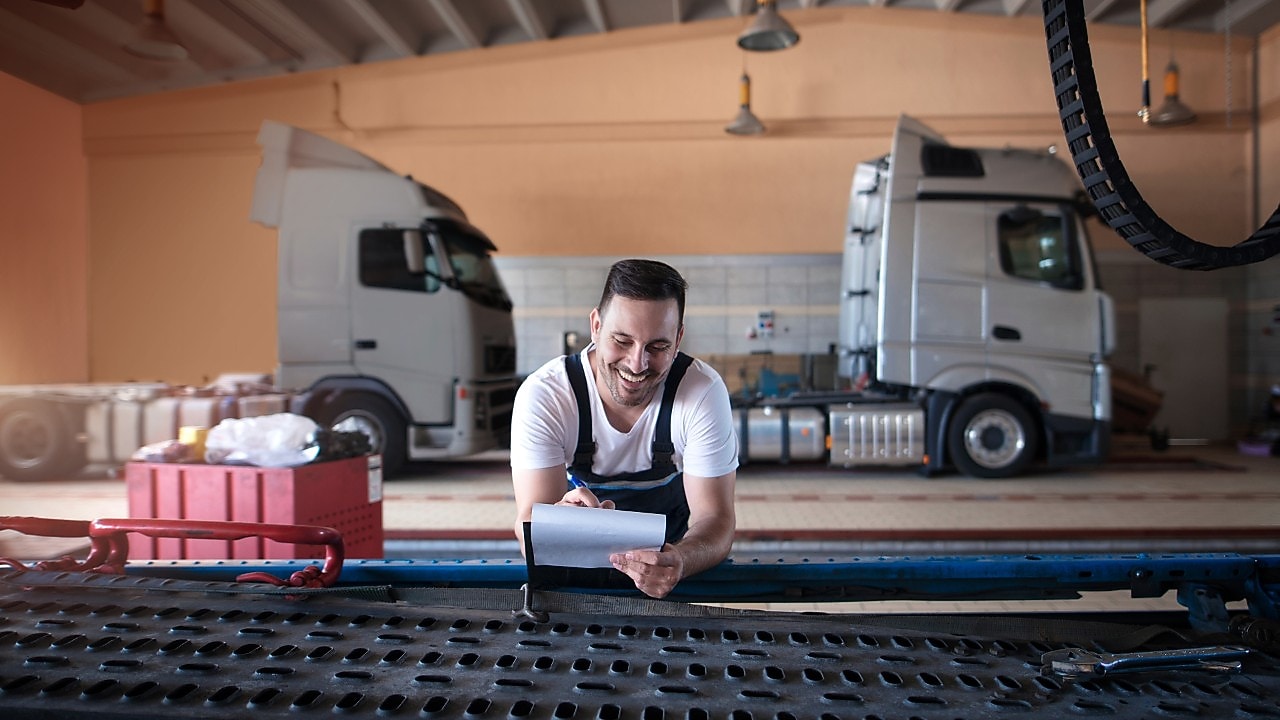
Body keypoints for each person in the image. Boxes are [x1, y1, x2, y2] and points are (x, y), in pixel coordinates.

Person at [510, 259, 739, 598]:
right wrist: (559, 520)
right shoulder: (547, 395)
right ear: (596, 326)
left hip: (669, 580)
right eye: (622, 340)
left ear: (678, 339)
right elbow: (529, 522)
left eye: (657, 347)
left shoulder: (701, 392)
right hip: (574, 582)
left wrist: (680, 560)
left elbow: (716, 520)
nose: (637, 363)